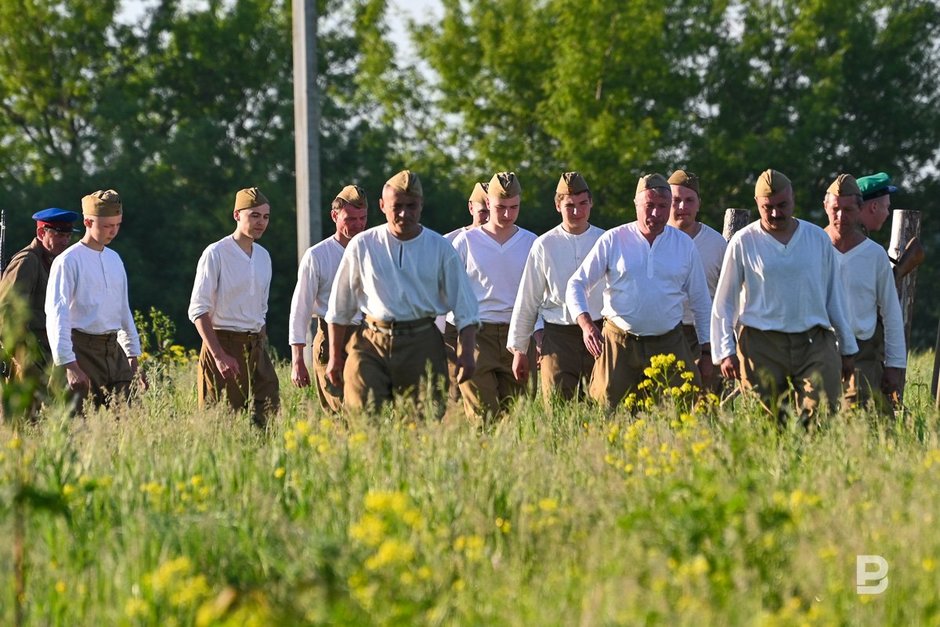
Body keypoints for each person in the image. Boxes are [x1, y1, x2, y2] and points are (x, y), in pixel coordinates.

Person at [711, 169, 857, 425]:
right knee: (769, 422)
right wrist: (725, 351)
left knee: (821, 411)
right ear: (757, 203)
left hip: (814, 340)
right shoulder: (743, 241)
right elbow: (724, 302)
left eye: (782, 205)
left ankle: (815, 462)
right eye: (769, 207)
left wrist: (847, 348)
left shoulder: (817, 238)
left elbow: (834, 295)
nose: (776, 213)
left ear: (793, 199)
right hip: (761, 344)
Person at [325, 170, 479, 414]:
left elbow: (465, 306)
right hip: (371, 342)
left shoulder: (439, 247)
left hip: (422, 342)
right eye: (397, 206)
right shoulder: (363, 245)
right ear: (382, 205)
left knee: (423, 423)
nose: (404, 213)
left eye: (412, 206)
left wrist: (467, 352)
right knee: (361, 417)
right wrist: (334, 357)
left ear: (421, 206)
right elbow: (339, 307)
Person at [566, 174, 712, 409]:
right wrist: (585, 324)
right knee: (609, 410)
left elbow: (701, 301)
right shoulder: (613, 239)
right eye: (649, 206)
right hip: (619, 343)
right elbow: (576, 284)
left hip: (669, 343)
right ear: (636, 205)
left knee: (681, 410)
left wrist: (706, 350)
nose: (656, 213)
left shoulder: (684, 244)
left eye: (663, 206)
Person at [507, 171, 604, 402]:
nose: (577, 212)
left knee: (603, 407)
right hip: (558, 336)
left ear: (591, 202)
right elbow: (528, 298)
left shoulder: (606, 240)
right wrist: (520, 350)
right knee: (558, 408)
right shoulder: (544, 244)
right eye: (570, 205)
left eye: (582, 204)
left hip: (600, 333)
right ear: (558, 205)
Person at [45, 190, 145, 409]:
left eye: (117, 225)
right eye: (107, 225)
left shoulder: (115, 259)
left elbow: (123, 310)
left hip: (113, 350)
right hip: (80, 351)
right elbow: (57, 315)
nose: (113, 231)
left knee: (128, 424)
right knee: (77, 428)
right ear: (88, 221)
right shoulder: (67, 261)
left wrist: (133, 355)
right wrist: (68, 364)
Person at [188, 187, 279, 427]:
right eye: (255, 216)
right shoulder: (216, 253)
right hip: (224, 343)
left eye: (266, 217)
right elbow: (198, 310)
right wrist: (218, 355)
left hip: (256, 346)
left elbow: (261, 307)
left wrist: (261, 344)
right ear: (237, 215)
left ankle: (262, 462)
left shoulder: (263, 256)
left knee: (268, 413)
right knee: (223, 422)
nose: (261, 223)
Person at [452, 171, 537, 420]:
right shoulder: (465, 242)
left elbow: (536, 295)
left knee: (517, 420)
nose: (508, 214)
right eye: (501, 207)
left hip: (519, 335)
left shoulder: (531, 242)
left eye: (514, 207)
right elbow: (449, 292)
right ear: (488, 203)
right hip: (477, 336)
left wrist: (536, 336)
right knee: (483, 418)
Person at [823, 173, 905, 411]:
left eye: (848, 210)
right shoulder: (811, 245)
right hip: (817, 352)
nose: (840, 216)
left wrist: (895, 365)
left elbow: (891, 313)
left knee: (863, 425)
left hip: (863, 356)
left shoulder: (874, 254)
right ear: (826, 207)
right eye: (835, 209)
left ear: (859, 209)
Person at [288, 185, 368, 412]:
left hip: (367, 337)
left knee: (369, 410)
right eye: (350, 218)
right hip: (331, 338)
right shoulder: (317, 255)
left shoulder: (373, 249)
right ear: (334, 215)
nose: (358, 224)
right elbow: (300, 307)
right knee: (341, 411)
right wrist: (297, 360)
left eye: (363, 218)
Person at [0, 208, 80, 417]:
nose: (65, 241)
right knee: (24, 425)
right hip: (27, 360)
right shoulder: (28, 261)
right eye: (59, 234)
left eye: (68, 235)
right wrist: (23, 357)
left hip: (48, 358)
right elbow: (6, 313)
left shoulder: (54, 262)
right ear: (42, 233)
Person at [667, 169, 726, 388]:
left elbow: (728, 296)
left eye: (689, 200)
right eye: (676, 200)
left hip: (706, 335)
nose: (682, 207)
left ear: (698, 203)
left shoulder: (717, 244)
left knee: (707, 402)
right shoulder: (655, 239)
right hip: (666, 332)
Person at [441, 181, 489, 402]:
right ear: (471, 208)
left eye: (492, 210)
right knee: (454, 387)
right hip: (454, 327)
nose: (489, 218)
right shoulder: (450, 241)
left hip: (489, 325)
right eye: (483, 212)